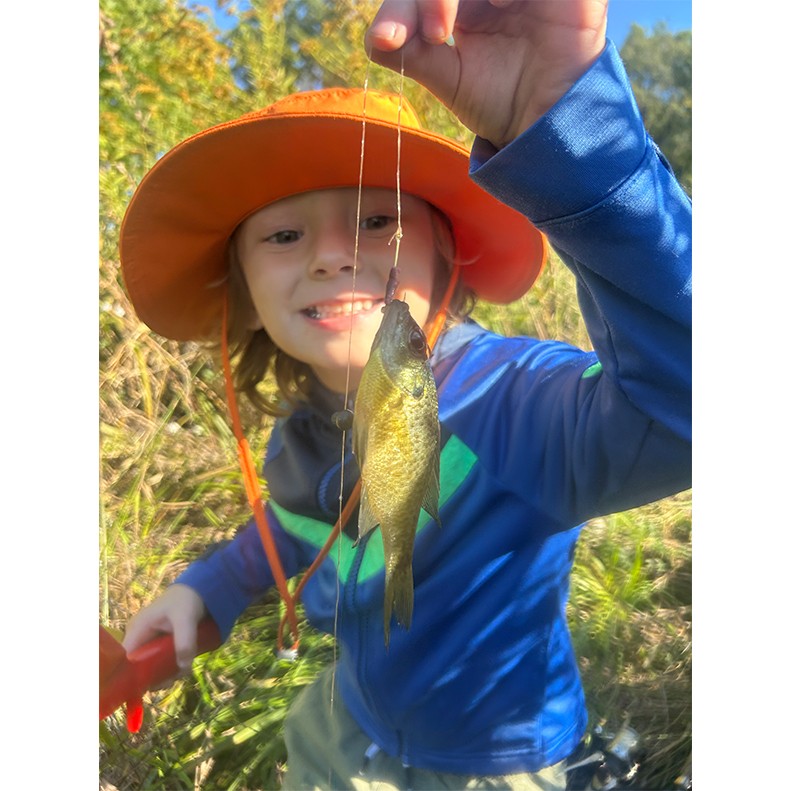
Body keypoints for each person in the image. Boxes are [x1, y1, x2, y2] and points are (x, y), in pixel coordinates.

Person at [120, 0, 691, 788]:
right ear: (243, 294)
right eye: (283, 236)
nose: (330, 255)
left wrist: (578, 138)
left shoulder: (514, 404)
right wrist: (203, 589)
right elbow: (286, 530)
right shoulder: (301, 432)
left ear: (447, 257)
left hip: (493, 763)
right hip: (338, 723)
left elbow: (695, 403)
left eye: (377, 219)